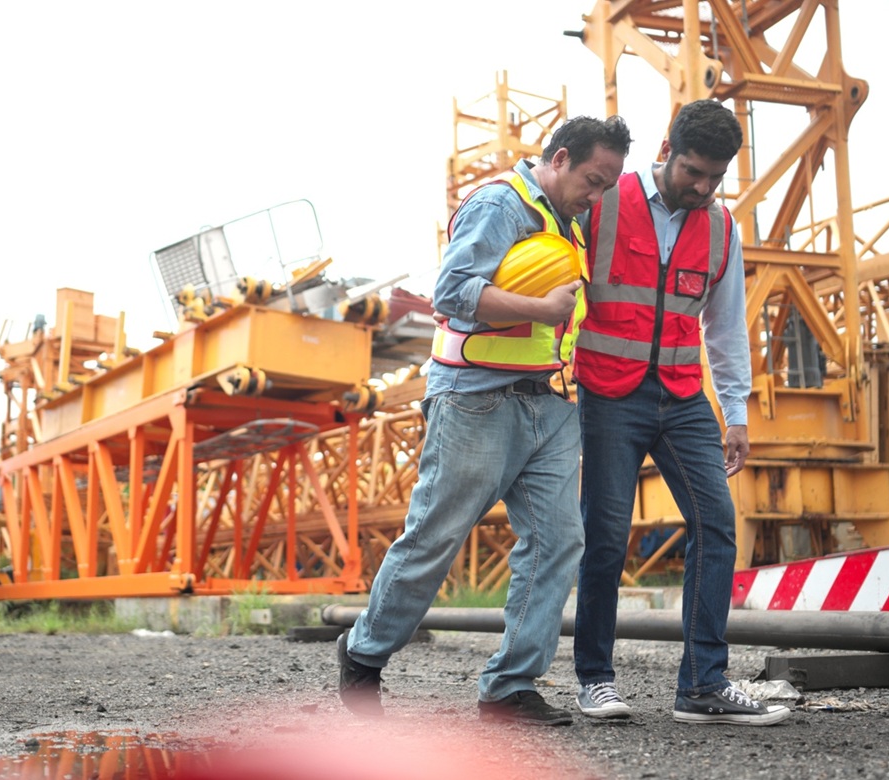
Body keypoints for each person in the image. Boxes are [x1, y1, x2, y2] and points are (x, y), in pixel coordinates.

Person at [337, 115, 631, 726]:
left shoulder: (568, 220)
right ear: (560, 157)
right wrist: (540, 307)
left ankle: (509, 686)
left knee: (558, 541)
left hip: (548, 402)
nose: (597, 197)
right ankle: (363, 654)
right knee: (435, 536)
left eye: (608, 187)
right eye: (592, 180)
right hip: (475, 398)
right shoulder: (500, 205)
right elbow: (451, 292)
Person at [571, 100, 790, 726]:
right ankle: (595, 678)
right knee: (607, 538)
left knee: (716, 523)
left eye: (715, 178)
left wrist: (736, 412)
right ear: (666, 148)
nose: (702, 187)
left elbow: (725, 329)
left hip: (682, 395)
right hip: (608, 394)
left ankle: (702, 685)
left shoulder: (722, 229)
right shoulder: (603, 202)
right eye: (693, 171)